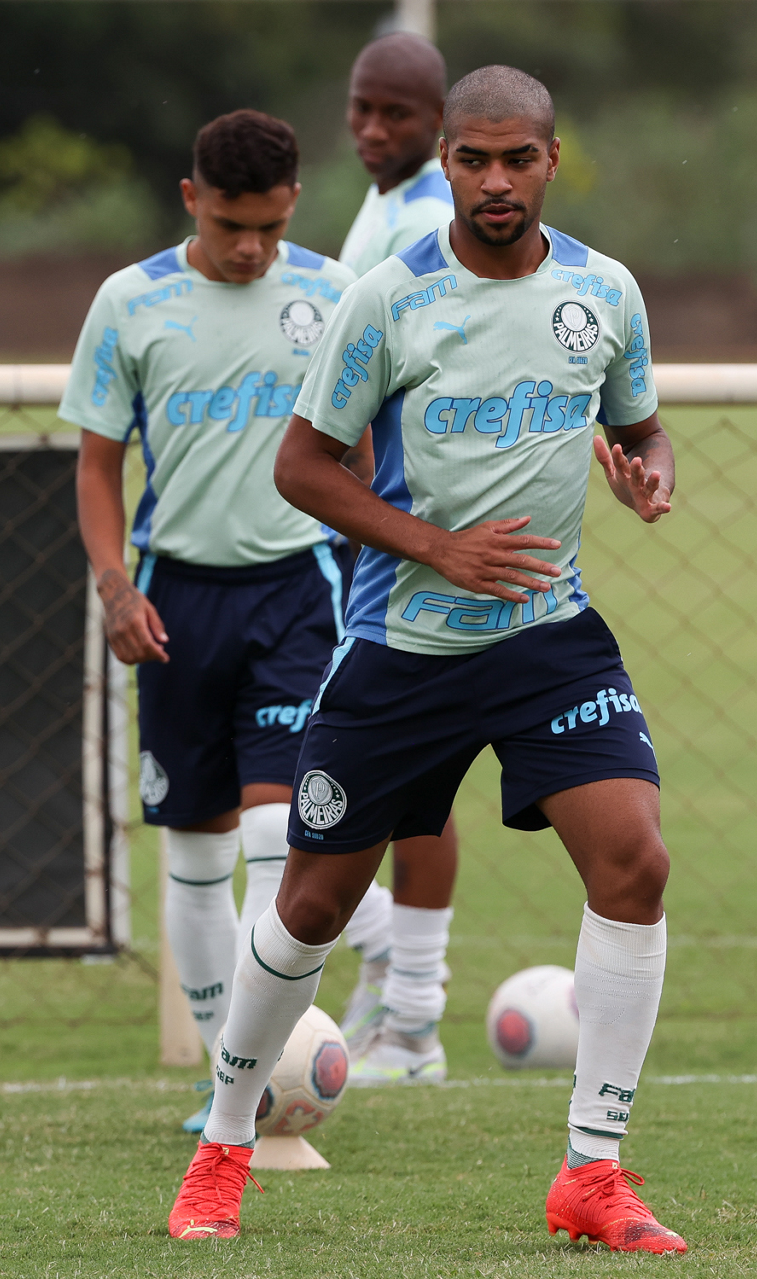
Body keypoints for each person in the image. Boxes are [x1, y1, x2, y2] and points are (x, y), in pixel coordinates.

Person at [168, 67, 688, 1255]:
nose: (494, 181)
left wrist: (648, 472)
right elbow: (302, 465)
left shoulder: (603, 291)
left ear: (551, 160)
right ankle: (225, 1143)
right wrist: (435, 546)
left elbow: (641, 423)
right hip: (402, 649)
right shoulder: (388, 298)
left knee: (636, 861)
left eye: (517, 159)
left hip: (549, 637)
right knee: (308, 905)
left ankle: (592, 1171)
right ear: (445, 162)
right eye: (472, 159)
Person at [61, 109, 356, 1132]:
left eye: (270, 227)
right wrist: (115, 586)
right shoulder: (129, 301)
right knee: (194, 849)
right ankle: (224, 1071)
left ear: (294, 206)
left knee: (278, 829)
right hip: (175, 599)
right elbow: (97, 465)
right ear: (192, 199)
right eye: (232, 225)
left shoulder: (333, 294)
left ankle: (252, 1069)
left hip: (297, 592)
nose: (251, 248)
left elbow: (364, 448)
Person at [336, 31, 460, 1086]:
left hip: (391, 533)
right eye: (361, 109)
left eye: (398, 114)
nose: (374, 129)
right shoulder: (382, 204)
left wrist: (360, 508)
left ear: (437, 123)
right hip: (364, 526)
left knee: (410, 767)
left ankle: (410, 1013)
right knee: (388, 765)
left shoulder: (426, 216)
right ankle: (400, 997)